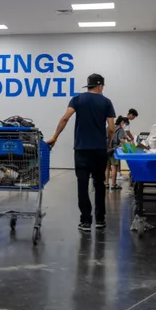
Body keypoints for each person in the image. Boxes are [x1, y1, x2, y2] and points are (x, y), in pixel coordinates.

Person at [47, 73, 116, 231]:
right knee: (100, 185)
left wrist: (54, 137)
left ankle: (85, 221)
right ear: (100, 86)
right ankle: (100, 220)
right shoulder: (106, 102)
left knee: (82, 185)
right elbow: (111, 128)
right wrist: (108, 143)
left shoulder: (77, 99)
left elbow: (65, 118)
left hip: (81, 150)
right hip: (99, 150)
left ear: (89, 86)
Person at [105, 116, 128, 190]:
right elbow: (121, 140)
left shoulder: (109, 127)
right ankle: (114, 184)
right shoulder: (120, 129)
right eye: (125, 124)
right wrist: (127, 146)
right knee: (114, 166)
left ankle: (106, 183)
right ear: (122, 122)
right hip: (115, 149)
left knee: (107, 167)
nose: (124, 125)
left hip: (107, 148)